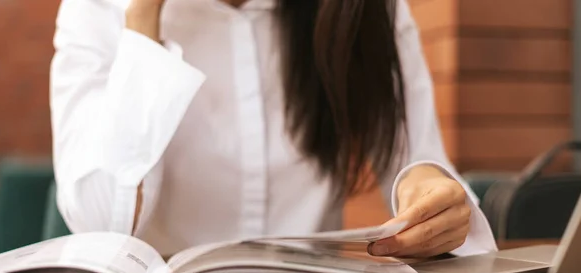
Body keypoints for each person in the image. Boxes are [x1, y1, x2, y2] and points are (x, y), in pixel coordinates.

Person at [49, 0, 497, 258]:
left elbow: (418, 162)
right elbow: (101, 224)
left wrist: (430, 194)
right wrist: (143, 24)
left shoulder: (364, 10)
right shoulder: (97, 9)